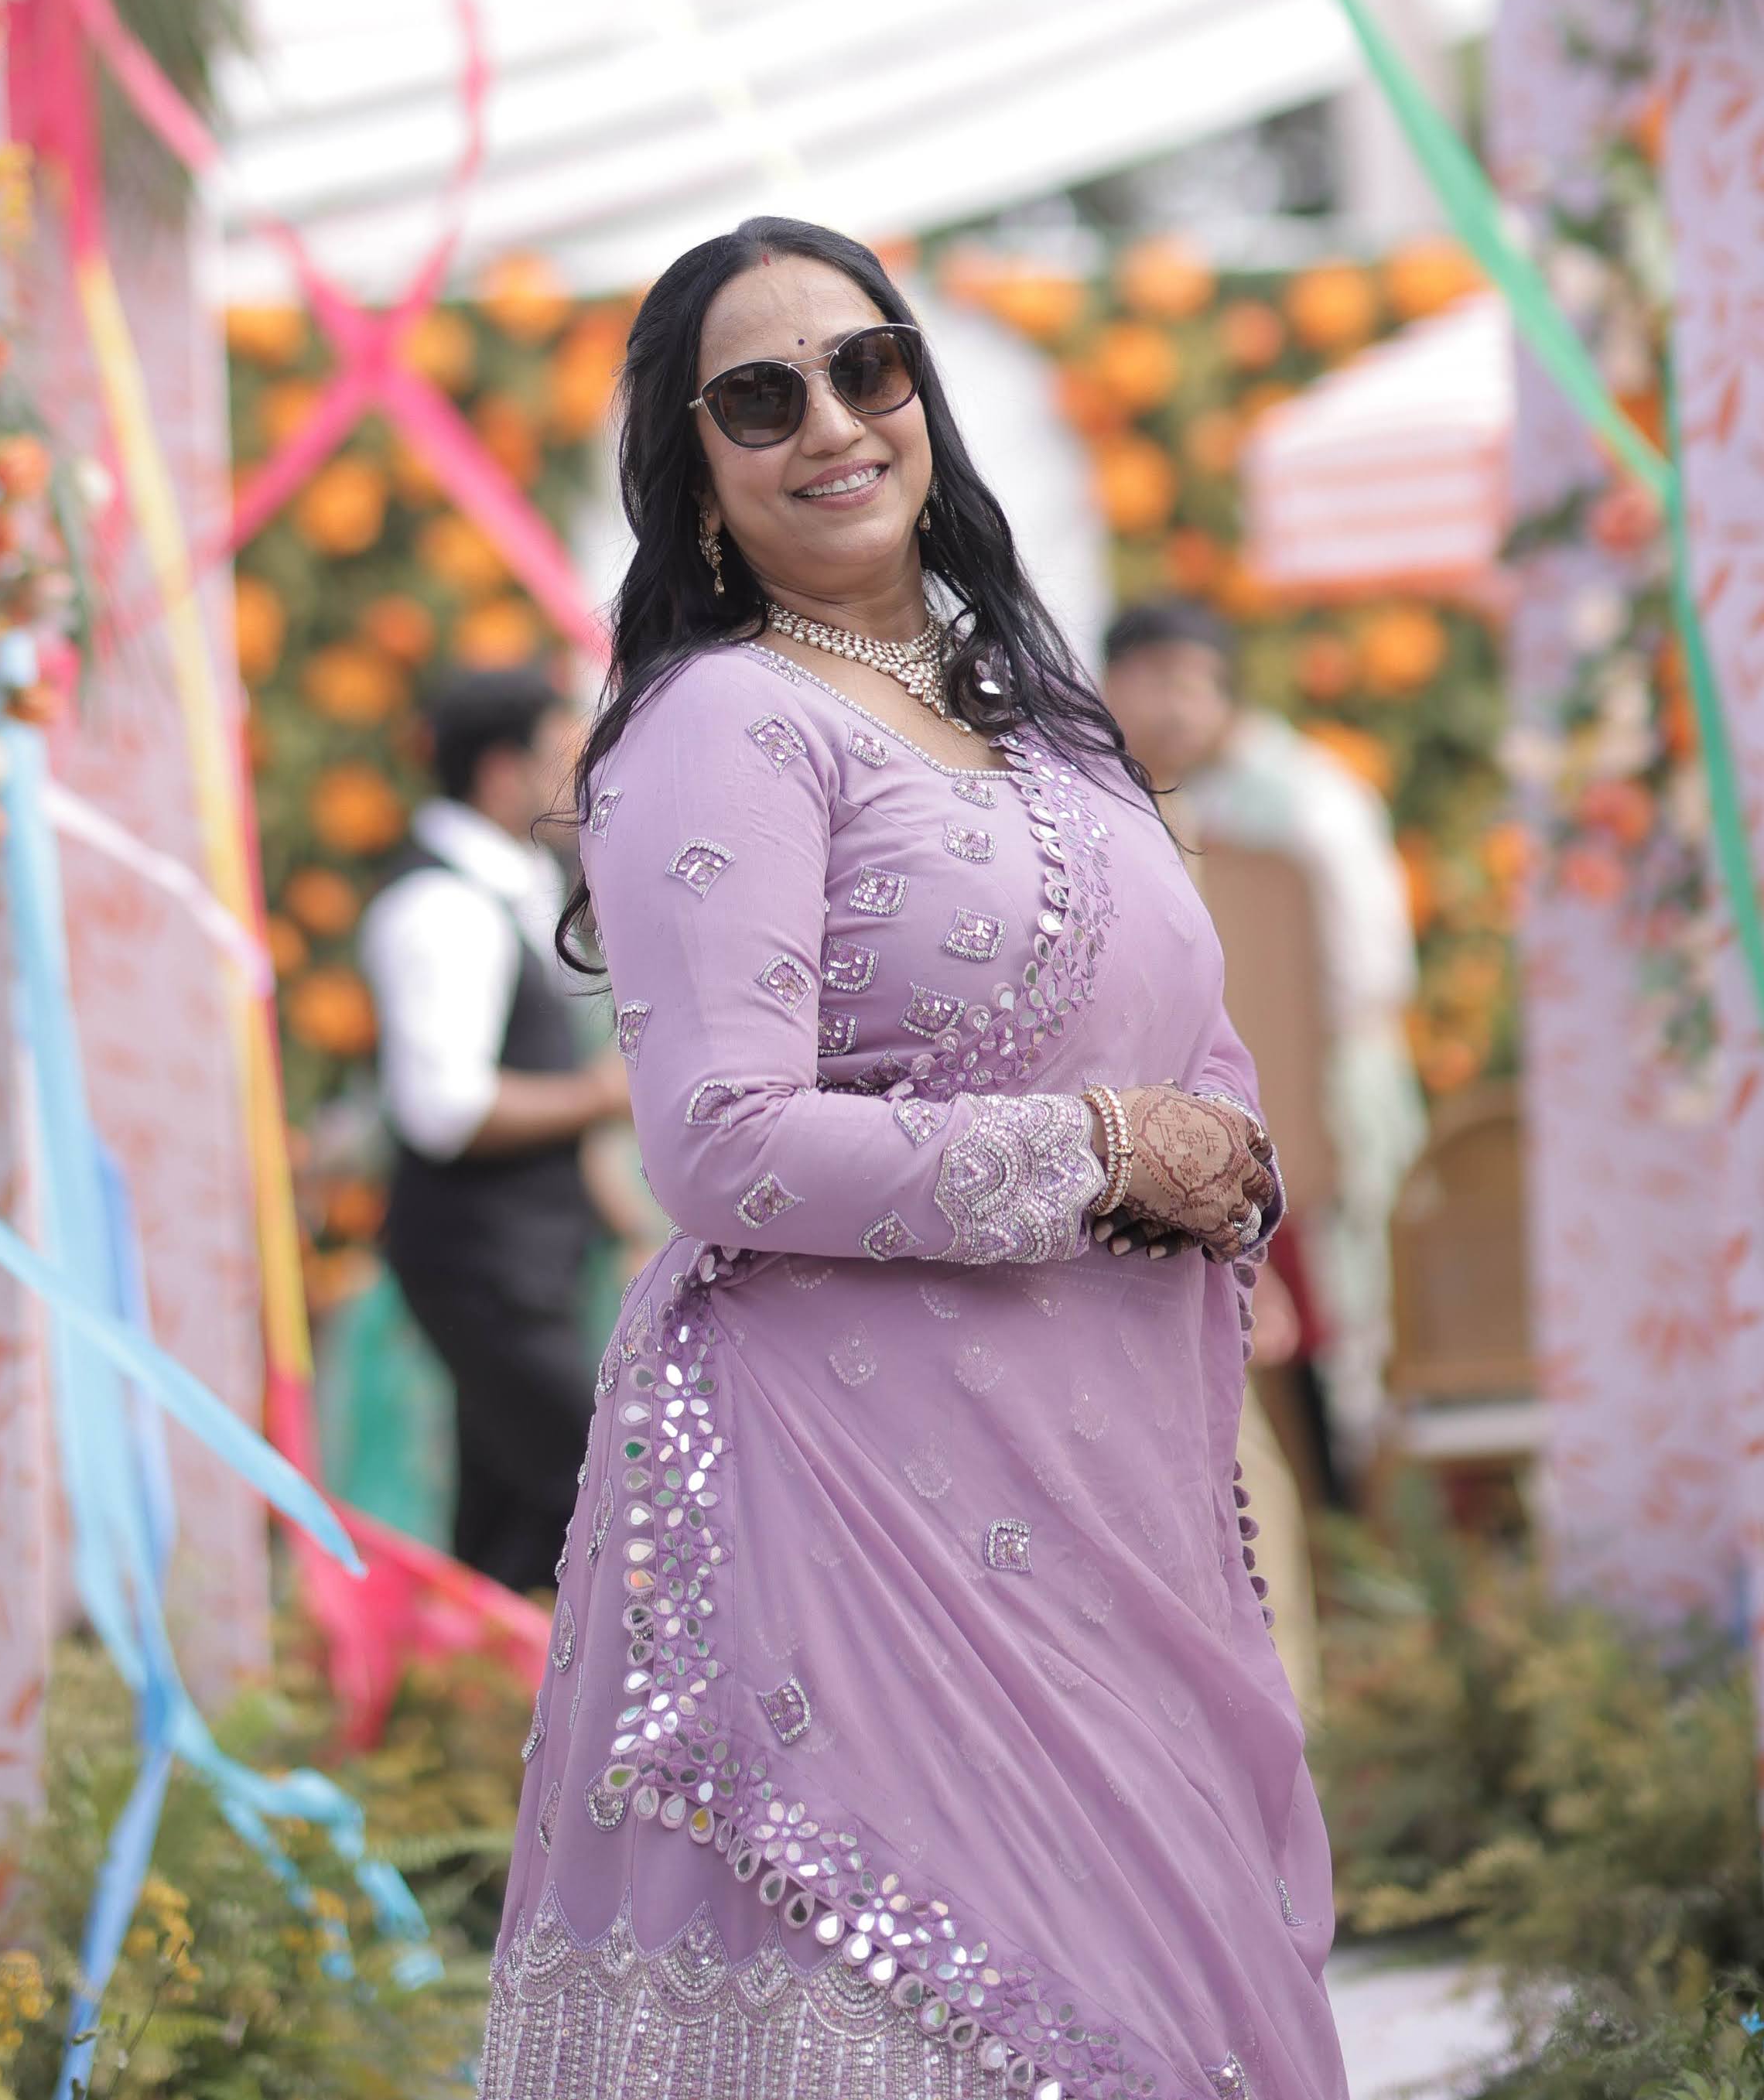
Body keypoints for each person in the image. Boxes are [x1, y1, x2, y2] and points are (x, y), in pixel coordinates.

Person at [484, 217, 1340, 2100]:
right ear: (693, 473)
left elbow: (1182, 1039)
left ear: (920, 397)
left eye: (866, 366)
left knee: (1167, 1976)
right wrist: (1102, 1147)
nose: (830, 422)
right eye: (759, 395)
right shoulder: (720, 722)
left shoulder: (1037, 722)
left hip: (1107, 1476)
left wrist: (1228, 1159)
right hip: (853, 1492)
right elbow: (720, 1146)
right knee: (961, 2016)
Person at [1104, 597, 1424, 1486]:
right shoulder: (1140, 794)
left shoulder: (1298, 800)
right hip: (1217, 1105)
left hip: (1309, 1091)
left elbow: (1363, 977)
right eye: (1149, 681)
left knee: (1343, 1329)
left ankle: (1356, 1525)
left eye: (1187, 683)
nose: (1171, 707)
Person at [359, 667, 627, 1596]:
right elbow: (446, 1109)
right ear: (503, 771)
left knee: (514, 1525)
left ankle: (471, 1714)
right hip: (481, 1267)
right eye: (567, 752)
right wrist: (604, 1091)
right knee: (604, 1491)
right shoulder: (439, 906)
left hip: (526, 1262)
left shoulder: (510, 887)